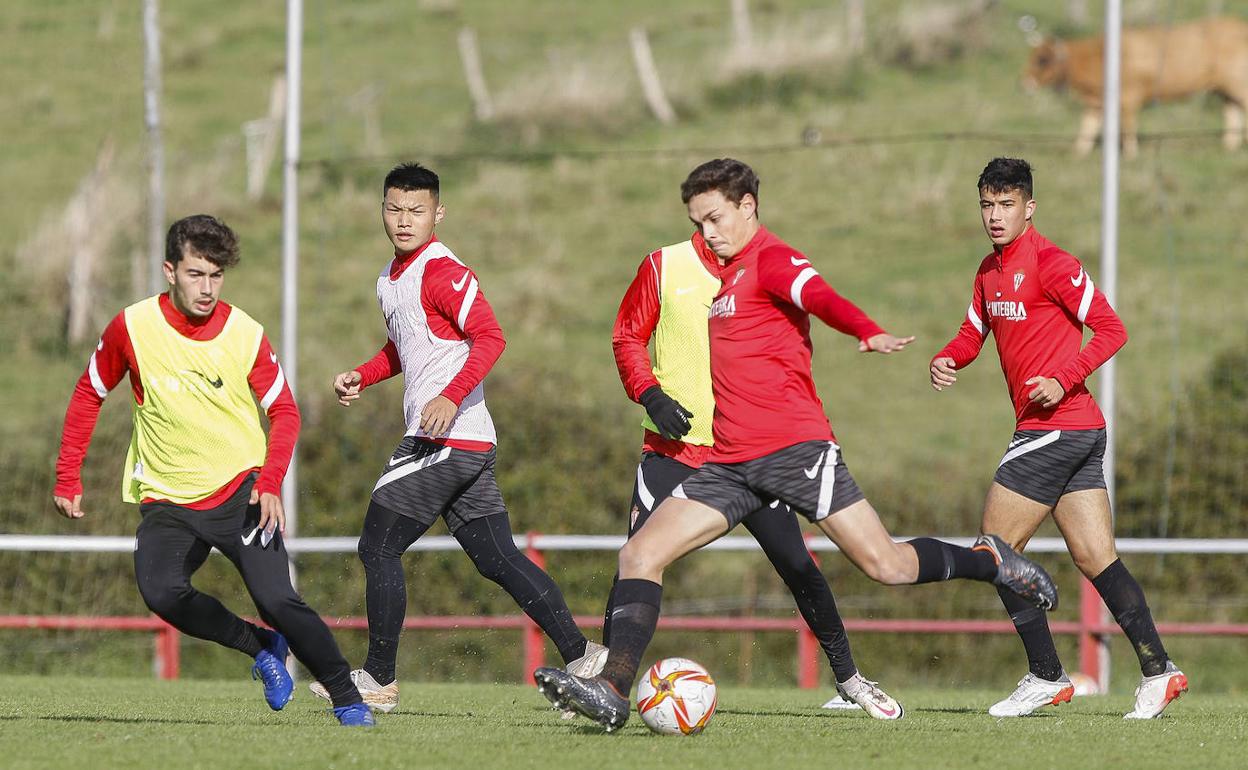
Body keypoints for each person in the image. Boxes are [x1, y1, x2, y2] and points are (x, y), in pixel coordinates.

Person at [534, 158, 1057, 731]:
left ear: (747, 207)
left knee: (886, 565)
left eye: (714, 218)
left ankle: (988, 562)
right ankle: (612, 688)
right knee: (639, 554)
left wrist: (864, 330)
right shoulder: (725, 276)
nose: (706, 232)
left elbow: (818, 294)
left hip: (794, 453)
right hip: (728, 464)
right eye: (696, 221)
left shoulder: (772, 259)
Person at [53, 215, 373, 727]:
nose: (207, 287)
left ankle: (347, 698)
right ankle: (263, 647)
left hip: (241, 493)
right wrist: (68, 475)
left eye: (216, 275)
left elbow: (286, 411)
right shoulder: (130, 327)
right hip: (168, 500)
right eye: (196, 274)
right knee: (161, 591)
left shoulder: (244, 333)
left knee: (276, 598)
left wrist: (269, 483)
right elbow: (88, 392)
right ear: (169, 271)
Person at [310, 163, 603, 713]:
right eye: (394, 209)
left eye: (416, 210)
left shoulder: (442, 270)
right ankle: (584, 655)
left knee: (378, 546)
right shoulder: (390, 278)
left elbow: (490, 336)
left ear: (437, 213)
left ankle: (378, 678)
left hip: (444, 437)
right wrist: (363, 375)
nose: (404, 220)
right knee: (496, 560)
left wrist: (450, 395)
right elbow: (407, 347)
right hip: (467, 442)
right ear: (382, 210)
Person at [929, 157, 1187, 719]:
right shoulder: (987, 271)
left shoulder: (1053, 264)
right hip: (1073, 432)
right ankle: (1159, 670)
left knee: (993, 550)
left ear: (1030, 207)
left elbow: (1113, 329)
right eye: (987, 206)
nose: (995, 216)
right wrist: (948, 358)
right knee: (1097, 559)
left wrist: (1061, 378)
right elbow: (973, 333)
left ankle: (1046, 675)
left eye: (1006, 205)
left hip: (1059, 427)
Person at [607, 231, 899, 718]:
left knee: (798, 566)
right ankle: (609, 686)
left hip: (750, 455)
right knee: (635, 560)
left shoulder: (762, 268)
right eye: (704, 212)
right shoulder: (663, 265)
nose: (713, 222)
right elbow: (626, 336)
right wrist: (649, 393)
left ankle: (848, 678)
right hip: (671, 452)